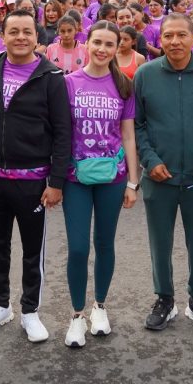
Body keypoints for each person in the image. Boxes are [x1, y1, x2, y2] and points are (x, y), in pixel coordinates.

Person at [0, 9, 71, 343]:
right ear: (4, 36)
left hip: (32, 182)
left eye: (27, 32)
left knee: (32, 250)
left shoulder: (52, 76)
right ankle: (0, 305)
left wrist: (56, 182)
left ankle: (30, 310)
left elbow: (62, 132)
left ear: (37, 37)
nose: (20, 38)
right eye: (13, 31)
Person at [134, 13, 193, 333]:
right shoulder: (145, 75)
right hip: (158, 176)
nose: (174, 42)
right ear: (160, 39)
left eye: (181, 35)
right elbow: (138, 124)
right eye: (168, 36)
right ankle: (165, 299)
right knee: (160, 241)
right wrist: (149, 159)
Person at [61, 21, 140, 348]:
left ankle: (100, 307)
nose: (103, 49)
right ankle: (78, 314)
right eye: (98, 43)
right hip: (75, 178)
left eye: (110, 44)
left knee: (105, 243)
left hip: (112, 177)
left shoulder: (124, 85)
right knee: (79, 248)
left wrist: (133, 182)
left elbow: (128, 135)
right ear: (86, 43)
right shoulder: (68, 83)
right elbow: (60, 133)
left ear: (117, 46)